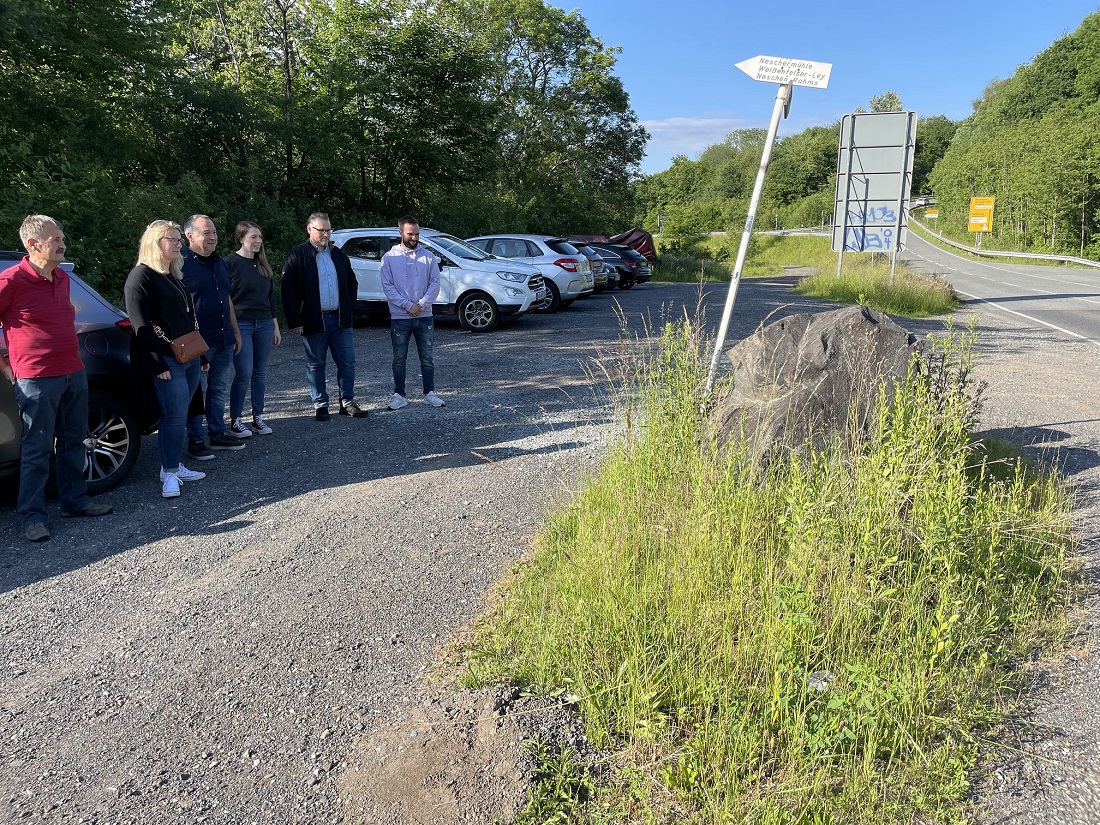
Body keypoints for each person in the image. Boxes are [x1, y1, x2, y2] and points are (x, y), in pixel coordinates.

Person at [0, 215, 113, 541]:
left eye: (62, 238)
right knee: (36, 450)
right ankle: (33, 517)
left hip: (74, 372)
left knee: (73, 441)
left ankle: (74, 502)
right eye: (56, 240)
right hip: (35, 379)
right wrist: (5, 365)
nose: (63, 244)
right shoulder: (11, 282)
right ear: (34, 244)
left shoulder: (61, 278)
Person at [125, 220, 211, 499]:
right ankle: (169, 472)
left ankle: (173, 465)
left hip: (188, 355)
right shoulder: (140, 277)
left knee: (180, 413)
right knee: (173, 416)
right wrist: (157, 364)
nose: (179, 244)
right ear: (155, 243)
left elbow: (186, 318)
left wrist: (202, 354)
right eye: (173, 240)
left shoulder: (172, 275)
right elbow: (141, 326)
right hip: (165, 358)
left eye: (179, 239)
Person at [280, 212, 367, 421]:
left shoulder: (338, 255)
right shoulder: (298, 255)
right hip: (313, 320)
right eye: (322, 230)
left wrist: (350, 309)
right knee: (316, 364)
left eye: (328, 230)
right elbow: (287, 290)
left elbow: (352, 283)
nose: (326, 234)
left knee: (348, 362)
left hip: (340, 320)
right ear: (310, 229)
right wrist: (295, 320)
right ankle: (320, 404)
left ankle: (347, 402)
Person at [181, 214, 244, 458]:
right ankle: (196, 438)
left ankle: (217, 433)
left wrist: (236, 331)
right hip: (198, 341)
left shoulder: (219, 262)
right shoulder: (180, 262)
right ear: (190, 236)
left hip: (223, 337)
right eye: (207, 232)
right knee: (195, 391)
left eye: (214, 232)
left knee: (218, 389)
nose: (213, 237)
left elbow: (226, 297)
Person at [381, 215, 445, 410]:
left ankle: (430, 393)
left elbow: (435, 283)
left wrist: (422, 305)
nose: (414, 238)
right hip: (400, 317)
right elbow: (388, 286)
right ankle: (399, 394)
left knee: (427, 357)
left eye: (417, 234)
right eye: (410, 234)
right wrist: (408, 306)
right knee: (399, 359)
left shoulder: (429, 257)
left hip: (424, 316)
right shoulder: (389, 258)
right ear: (400, 232)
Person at [225, 221, 281, 437]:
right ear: (241, 238)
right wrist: (231, 329)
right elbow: (225, 298)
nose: (258, 241)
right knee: (244, 373)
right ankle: (236, 419)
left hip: (265, 323)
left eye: (260, 237)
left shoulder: (263, 265)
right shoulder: (229, 263)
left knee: (260, 373)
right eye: (253, 237)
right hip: (241, 324)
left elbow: (270, 300)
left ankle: (258, 417)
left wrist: (275, 326)